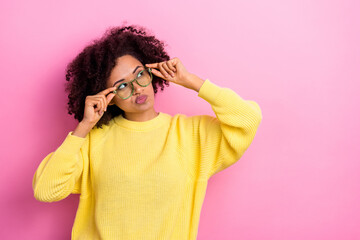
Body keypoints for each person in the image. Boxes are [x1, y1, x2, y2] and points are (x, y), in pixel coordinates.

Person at [32, 24, 263, 239]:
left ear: (151, 72)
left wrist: (191, 81)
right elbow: (46, 191)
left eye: (140, 74)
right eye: (122, 85)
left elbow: (249, 119)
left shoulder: (191, 134)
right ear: (108, 98)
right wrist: (84, 126)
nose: (136, 88)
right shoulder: (92, 142)